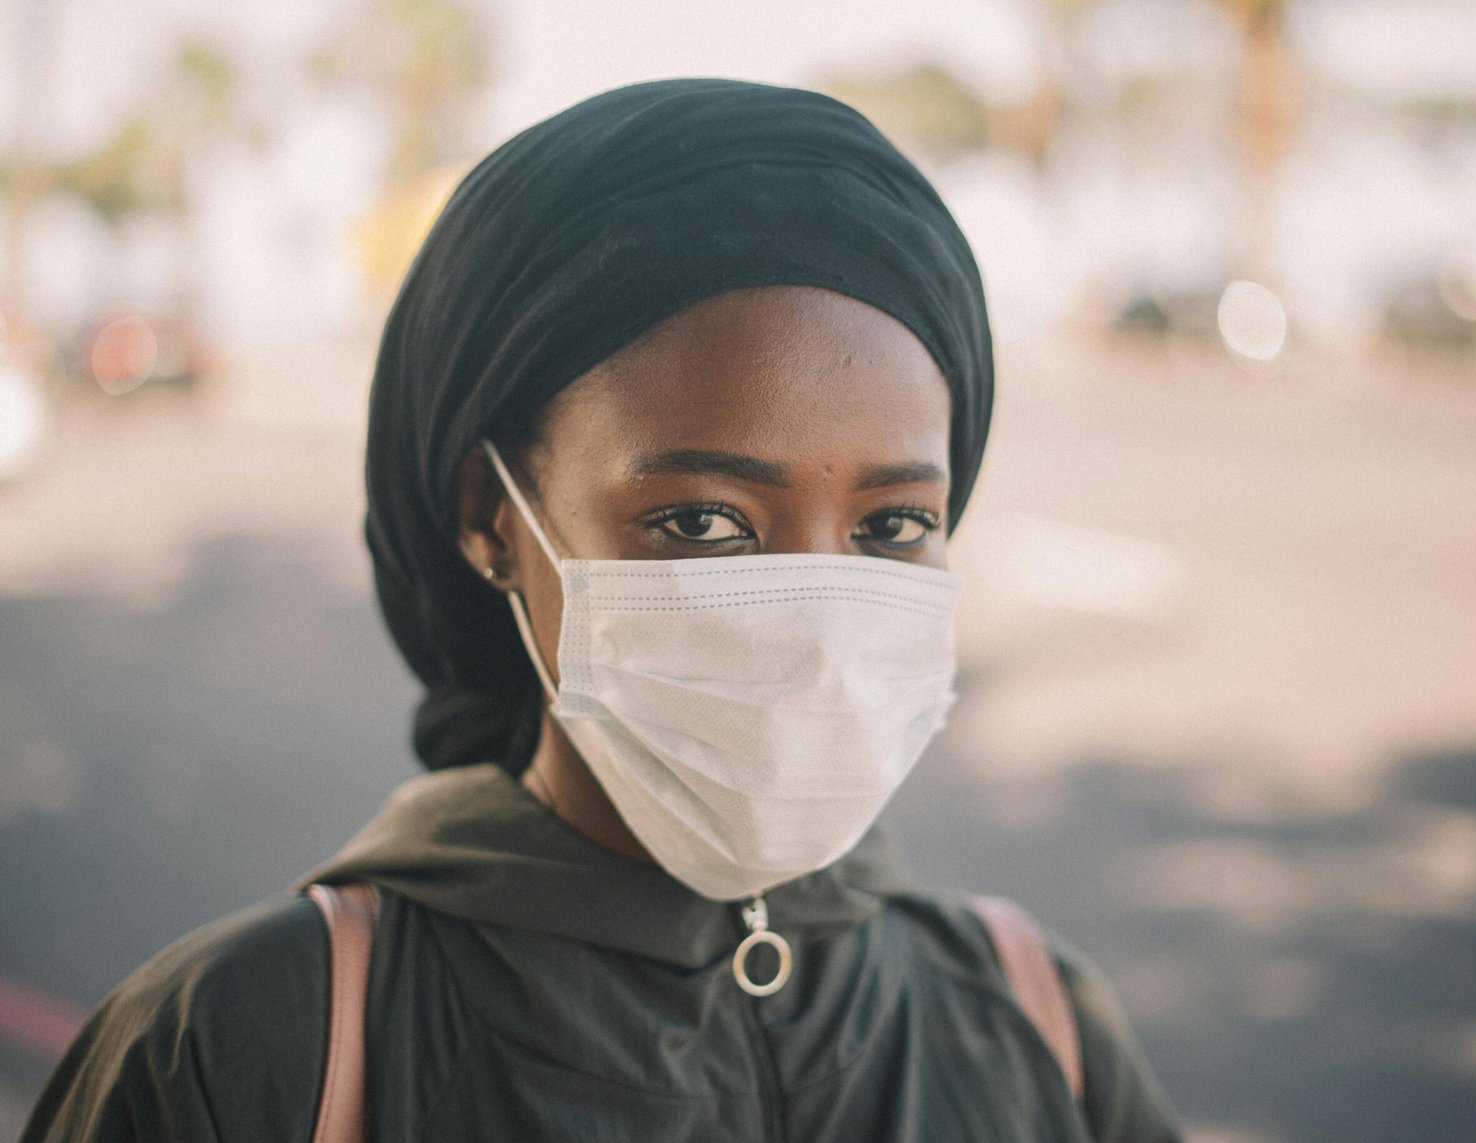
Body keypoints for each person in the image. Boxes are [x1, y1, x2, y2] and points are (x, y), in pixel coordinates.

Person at [23, 78, 1182, 1142]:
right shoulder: (250, 1049)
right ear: (491, 517)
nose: (819, 621)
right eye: (702, 521)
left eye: (890, 528)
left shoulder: (1042, 1025)